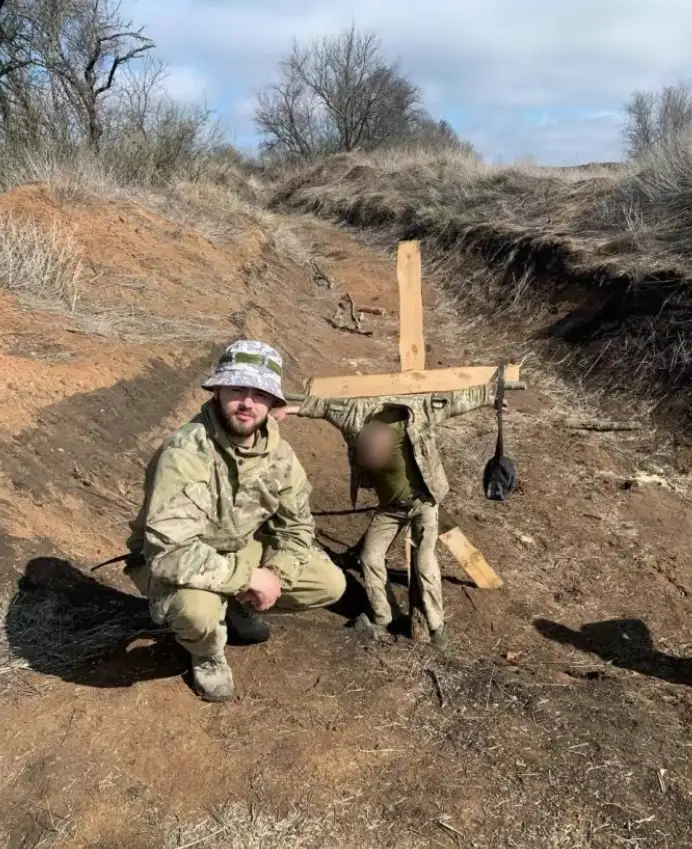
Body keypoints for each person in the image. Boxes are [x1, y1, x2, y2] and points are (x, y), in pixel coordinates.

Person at [124, 340, 346, 702]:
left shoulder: (280, 455)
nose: (247, 403)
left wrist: (276, 574)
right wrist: (248, 576)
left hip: (238, 546)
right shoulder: (185, 454)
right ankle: (206, 654)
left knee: (329, 583)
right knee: (195, 613)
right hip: (176, 558)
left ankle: (238, 605)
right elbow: (169, 553)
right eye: (237, 389)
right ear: (217, 391)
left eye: (259, 393)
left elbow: (297, 528)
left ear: (273, 403)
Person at [277, 382, 505, 646]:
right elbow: (324, 406)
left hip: (424, 503)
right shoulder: (355, 418)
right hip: (390, 509)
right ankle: (384, 617)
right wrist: (290, 410)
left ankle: (436, 626)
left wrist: (491, 397)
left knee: (424, 560)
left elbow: (456, 401)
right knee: (370, 556)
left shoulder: (417, 413)